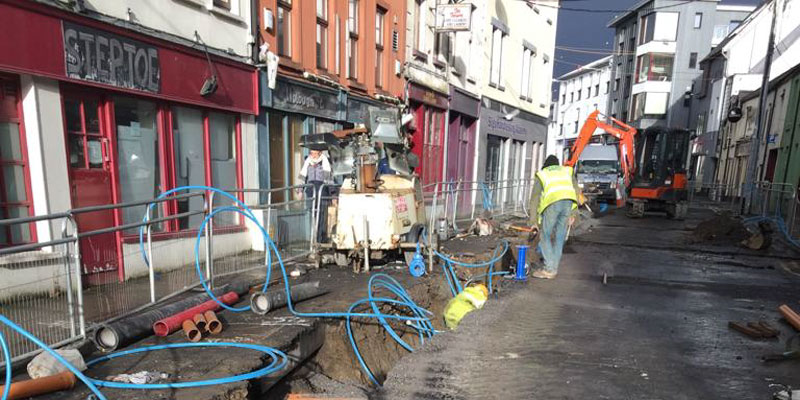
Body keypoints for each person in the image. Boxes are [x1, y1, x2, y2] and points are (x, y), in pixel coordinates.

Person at [528, 155, 582, 279]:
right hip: (568, 203)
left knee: (545, 235)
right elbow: (576, 191)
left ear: (545, 165)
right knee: (560, 237)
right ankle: (553, 268)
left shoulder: (543, 174)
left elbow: (534, 199)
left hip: (553, 203)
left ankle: (549, 269)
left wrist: (533, 221)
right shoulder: (567, 171)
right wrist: (574, 213)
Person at [298, 150, 332, 243]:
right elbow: (302, 178)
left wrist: (333, 195)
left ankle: (321, 238)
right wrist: (300, 191)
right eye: (311, 153)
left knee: (321, 215)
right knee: (313, 214)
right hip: (311, 192)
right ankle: (315, 238)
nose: (312, 155)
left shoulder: (324, 162)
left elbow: (329, 179)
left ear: (320, 153)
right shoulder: (307, 163)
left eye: (314, 153)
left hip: (322, 191)